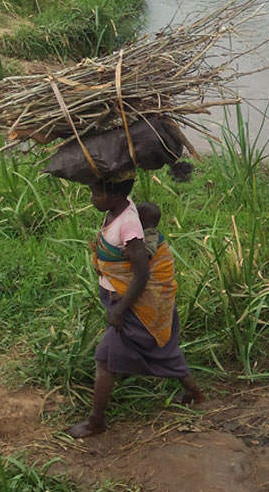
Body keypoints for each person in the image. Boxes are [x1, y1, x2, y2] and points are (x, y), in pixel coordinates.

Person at [67, 178, 203, 438]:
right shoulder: (115, 211)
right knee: (161, 347)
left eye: (95, 194)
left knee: (104, 360)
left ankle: (96, 422)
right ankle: (195, 393)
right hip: (122, 300)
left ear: (115, 194)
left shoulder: (128, 225)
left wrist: (119, 310)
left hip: (130, 305)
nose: (92, 199)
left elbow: (141, 274)